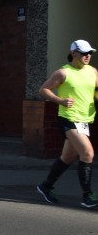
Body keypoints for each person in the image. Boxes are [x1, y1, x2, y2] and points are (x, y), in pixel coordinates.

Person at [36, 39, 98, 208]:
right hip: (68, 119)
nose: (87, 56)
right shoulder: (63, 73)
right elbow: (43, 89)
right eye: (84, 53)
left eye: (90, 53)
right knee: (87, 153)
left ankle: (46, 186)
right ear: (73, 53)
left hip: (85, 120)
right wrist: (60, 100)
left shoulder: (93, 72)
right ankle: (87, 196)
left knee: (67, 157)